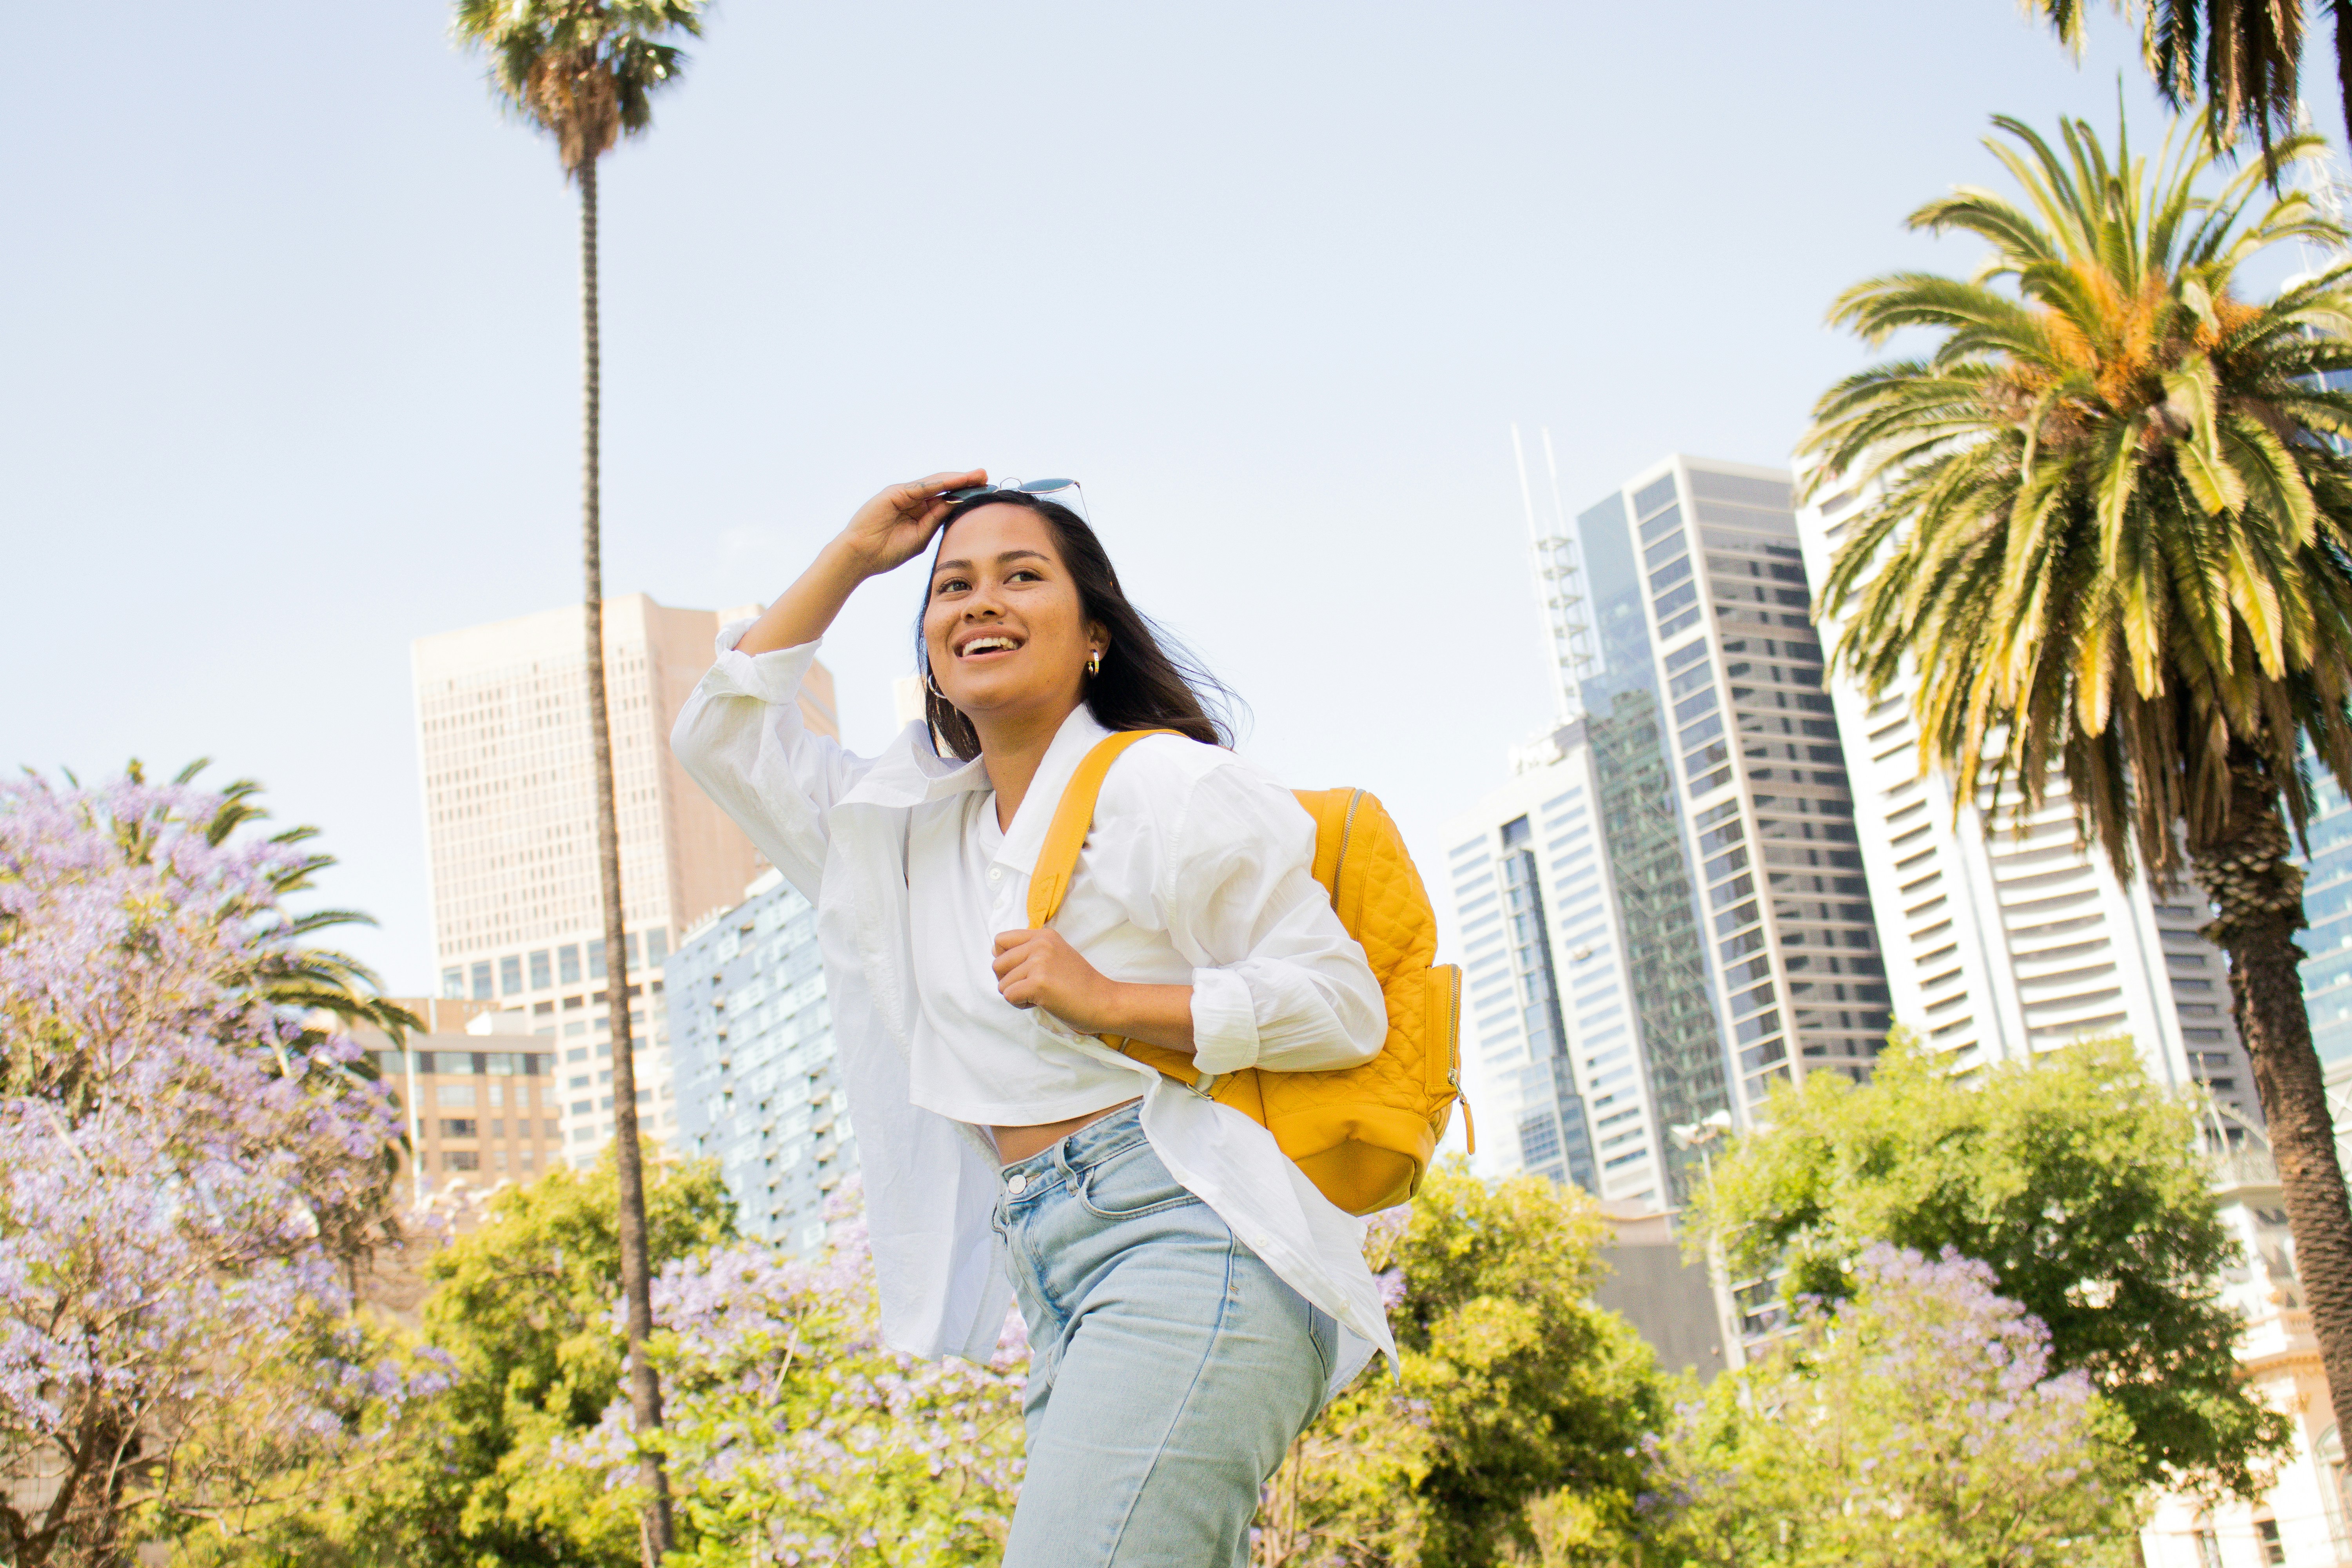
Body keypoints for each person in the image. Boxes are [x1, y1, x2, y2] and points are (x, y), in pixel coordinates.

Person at [670, 470, 1399, 1565]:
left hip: (1192, 1233)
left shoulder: (1163, 785)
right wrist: (860, 552)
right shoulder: (907, 834)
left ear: (1094, 632)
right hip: (1056, 1266)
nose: (981, 602)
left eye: (1022, 577)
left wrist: (1111, 1001)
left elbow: (1343, 1007)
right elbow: (721, 737)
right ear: (928, 652)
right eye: (952, 588)